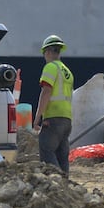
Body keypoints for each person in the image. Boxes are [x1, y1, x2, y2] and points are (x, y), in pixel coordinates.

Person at [33, 34, 74, 176]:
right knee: (62, 157)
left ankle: (56, 184)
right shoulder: (67, 71)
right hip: (66, 119)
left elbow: (46, 92)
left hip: (53, 117)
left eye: (44, 53)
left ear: (48, 51)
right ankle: (66, 187)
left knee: (46, 150)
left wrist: (38, 117)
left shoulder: (50, 67)